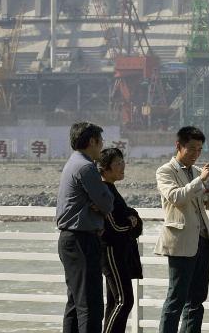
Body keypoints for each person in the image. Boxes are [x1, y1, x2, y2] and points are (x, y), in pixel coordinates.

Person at [155, 126, 209, 333]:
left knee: (197, 300)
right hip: (181, 242)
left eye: (200, 150)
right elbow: (176, 196)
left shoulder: (196, 172)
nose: (196, 154)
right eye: (192, 149)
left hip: (202, 241)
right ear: (179, 146)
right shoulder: (165, 171)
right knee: (176, 298)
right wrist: (202, 179)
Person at [56, 122, 115, 333]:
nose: (102, 147)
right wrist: (100, 204)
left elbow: (98, 203)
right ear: (92, 141)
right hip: (82, 241)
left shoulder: (73, 162)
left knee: (75, 303)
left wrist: (95, 204)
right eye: (101, 142)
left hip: (70, 240)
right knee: (91, 306)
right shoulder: (86, 167)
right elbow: (107, 204)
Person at [97, 148, 143, 333]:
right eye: (118, 163)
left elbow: (130, 219)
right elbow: (115, 226)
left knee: (115, 301)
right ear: (105, 168)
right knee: (124, 300)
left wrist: (133, 218)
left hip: (119, 250)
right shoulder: (103, 190)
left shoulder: (110, 188)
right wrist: (131, 221)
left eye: (123, 161)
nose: (123, 166)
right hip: (111, 251)